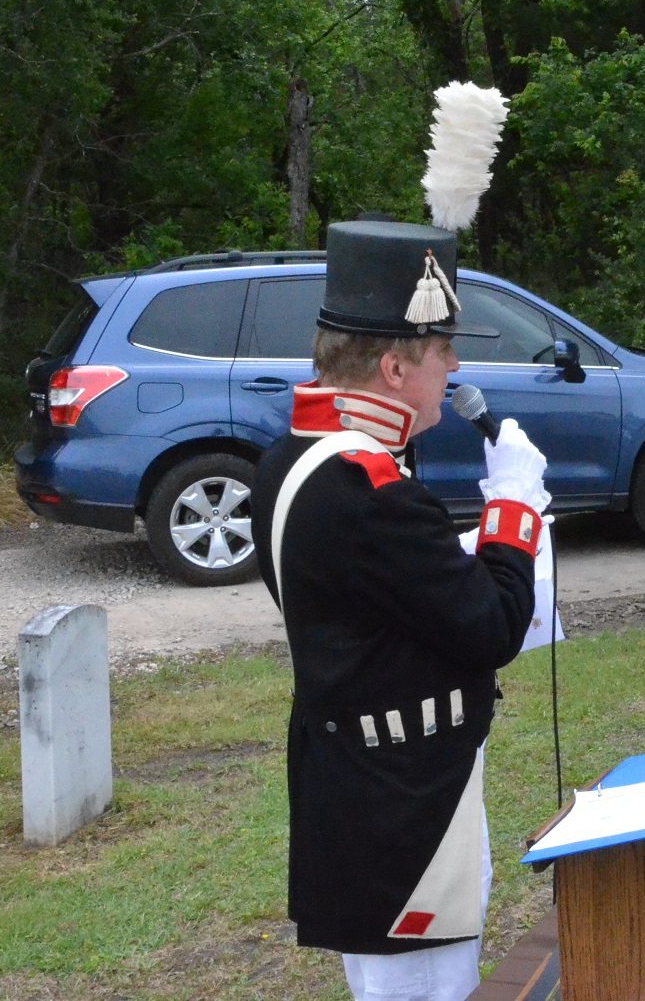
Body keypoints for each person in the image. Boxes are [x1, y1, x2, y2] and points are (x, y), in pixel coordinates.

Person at [256, 219, 538, 1001]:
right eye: (443, 351)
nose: (454, 366)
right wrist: (514, 505)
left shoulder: (294, 459)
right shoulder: (367, 490)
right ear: (392, 367)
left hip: (371, 781)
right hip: (401, 805)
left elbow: (387, 601)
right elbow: (490, 625)